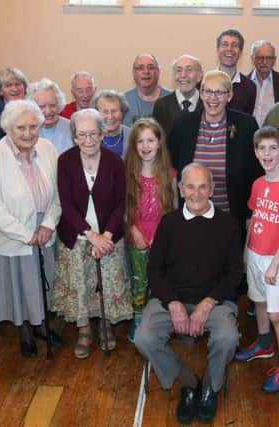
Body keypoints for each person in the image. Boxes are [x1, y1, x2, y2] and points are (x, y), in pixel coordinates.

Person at [134, 163, 242, 424]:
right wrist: (173, 303)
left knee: (228, 338)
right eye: (190, 186)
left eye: (202, 186)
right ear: (181, 189)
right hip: (172, 299)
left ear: (212, 189)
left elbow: (234, 274)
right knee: (144, 338)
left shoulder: (229, 224)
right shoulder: (169, 223)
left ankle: (209, 386)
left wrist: (207, 303)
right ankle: (188, 382)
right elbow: (155, 270)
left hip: (214, 300)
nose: (196, 193)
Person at [0, 99, 62, 358]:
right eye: (20, 128)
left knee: (40, 282)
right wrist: (26, 234)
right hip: (13, 236)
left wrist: (48, 224)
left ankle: (40, 324)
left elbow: (59, 193)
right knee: (19, 286)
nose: (28, 133)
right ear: (7, 128)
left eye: (33, 127)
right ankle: (24, 330)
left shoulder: (48, 148)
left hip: (44, 230)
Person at [53, 108, 132, 357]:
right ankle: (84, 328)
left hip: (109, 237)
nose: (88, 140)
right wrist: (90, 235)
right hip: (76, 236)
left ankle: (106, 325)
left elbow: (121, 202)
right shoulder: (65, 161)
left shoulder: (114, 161)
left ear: (102, 134)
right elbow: (66, 204)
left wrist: (106, 235)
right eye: (82, 135)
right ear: (74, 137)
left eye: (93, 134)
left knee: (107, 284)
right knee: (80, 285)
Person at [234, 126, 279, 392]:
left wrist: (276, 263)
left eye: (273, 148)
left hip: (275, 260)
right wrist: (246, 251)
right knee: (259, 302)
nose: (267, 153)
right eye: (262, 148)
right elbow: (253, 219)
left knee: (276, 313)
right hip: (254, 253)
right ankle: (264, 344)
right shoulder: (258, 183)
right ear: (256, 152)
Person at [168, 70, 262, 235]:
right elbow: (170, 167)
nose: (213, 98)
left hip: (232, 220)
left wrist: (251, 214)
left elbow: (257, 173)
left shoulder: (246, 126)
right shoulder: (183, 126)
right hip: (190, 218)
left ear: (230, 95)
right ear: (201, 94)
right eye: (208, 92)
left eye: (220, 92)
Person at [125, 118, 177, 343]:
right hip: (136, 235)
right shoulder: (127, 174)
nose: (146, 146)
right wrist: (134, 231)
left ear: (159, 143)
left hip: (161, 237)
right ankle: (138, 318)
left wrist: (162, 236)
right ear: (134, 146)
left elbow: (173, 210)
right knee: (139, 280)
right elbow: (123, 208)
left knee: (160, 279)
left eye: (150, 140)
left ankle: (158, 321)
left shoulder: (170, 175)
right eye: (140, 141)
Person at [152, 54, 204, 138]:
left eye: (189, 70)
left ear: (199, 75)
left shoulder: (207, 104)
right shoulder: (161, 106)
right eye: (179, 70)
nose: (183, 75)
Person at [27, 78, 74, 154]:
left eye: (52, 105)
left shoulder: (71, 128)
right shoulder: (27, 130)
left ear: (59, 104)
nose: (48, 111)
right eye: (42, 106)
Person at [216, 28, 256, 115]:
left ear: (240, 52)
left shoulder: (250, 87)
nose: (229, 49)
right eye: (225, 44)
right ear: (217, 50)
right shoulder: (203, 83)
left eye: (234, 45)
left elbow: (247, 122)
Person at [123, 53, 171, 125]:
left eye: (151, 67)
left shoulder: (172, 99)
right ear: (134, 73)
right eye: (140, 68)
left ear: (158, 71)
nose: (146, 71)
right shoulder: (123, 100)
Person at [249, 40, 279, 126]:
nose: (264, 62)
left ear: (274, 60)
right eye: (260, 58)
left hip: (274, 136)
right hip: (247, 136)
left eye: (269, 58)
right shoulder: (244, 83)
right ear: (252, 59)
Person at [0, 67, 28, 141]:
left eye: (18, 84)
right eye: (9, 85)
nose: (14, 89)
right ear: (0, 91)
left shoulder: (33, 108)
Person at [93, 90, 131, 159]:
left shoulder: (133, 136)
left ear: (122, 112)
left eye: (114, 111)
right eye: (105, 111)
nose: (110, 116)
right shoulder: (90, 138)